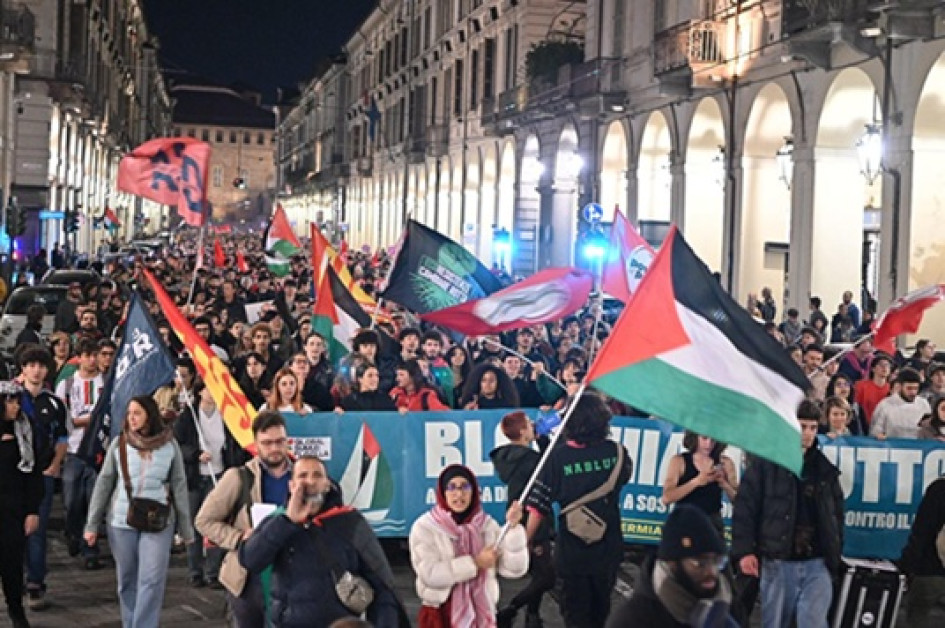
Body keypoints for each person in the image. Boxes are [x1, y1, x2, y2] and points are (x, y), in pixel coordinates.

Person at [240, 455, 409, 627]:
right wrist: (287, 521)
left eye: (317, 475)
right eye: (303, 476)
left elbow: (382, 585)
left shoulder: (350, 522)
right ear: (291, 486)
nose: (310, 481)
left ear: (327, 485)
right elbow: (252, 561)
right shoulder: (277, 522)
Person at [732, 399, 844, 628]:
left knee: (813, 622)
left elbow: (836, 514)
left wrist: (834, 552)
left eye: (813, 428)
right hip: (778, 560)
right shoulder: (765, 464)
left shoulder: (823, 468)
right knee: (775, 623)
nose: (808, 434)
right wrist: (744, 552)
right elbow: (745, 509)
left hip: (817, 560)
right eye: (803, 427)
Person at [84, 396, 193, 628]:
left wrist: (186, 528)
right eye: (129, 413)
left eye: (137, 413)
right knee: (127, 579)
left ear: (149, 415)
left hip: (159, 520)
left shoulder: (169, 445)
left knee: (152, 579)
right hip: (122, 520)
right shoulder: (120, 443)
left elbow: (179, 485)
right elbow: (104, 484)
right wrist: (92, 524)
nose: (131, 418)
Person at [525, 392, 633, 628]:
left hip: (572, 551)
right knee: (601, 610)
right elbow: (623, 479)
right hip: (609, 546)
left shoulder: (558, 457)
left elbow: (538, 505)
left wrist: (525, 540)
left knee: (575, 614)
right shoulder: (618, 452)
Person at [195, 411, 294, 627]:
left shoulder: (303, 476)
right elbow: (204, 520)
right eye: (267, 443)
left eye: (279, 442)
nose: (274, 448)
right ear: (256, 444)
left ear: (288, 441)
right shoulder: (238, 477)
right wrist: (239, 538)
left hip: (294, 571)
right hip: (248, 577)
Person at [410, 463, 529, 627]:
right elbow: (430, 575)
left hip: (481, 616)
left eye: (465, 486)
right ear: (442, 493)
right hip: (441, 616)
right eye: (451, 487)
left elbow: (514, 570)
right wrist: (475, 563)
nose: (459, 494)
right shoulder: (426, 527)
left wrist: (513, 528)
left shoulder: (486, 526)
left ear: (473, 491)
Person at [605, 505, 738, 628]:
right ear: (672, 564)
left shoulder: (724, 609)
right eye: (700, 563)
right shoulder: (633, 620)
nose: (711, 571)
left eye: (717, 561)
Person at [174, 380, 249, 588]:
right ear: (199, 392)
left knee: (216, 523)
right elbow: (178, 444)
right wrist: (195, 454)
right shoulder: (189, 417)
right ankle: (195, 570)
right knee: (193, 524)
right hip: (195, 478)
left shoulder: (226, 415)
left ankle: (213, 571)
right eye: (208, 388)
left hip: (219, 475)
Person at [491, 411, 555, 628]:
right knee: (546, 576)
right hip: (533, 518)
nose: (533, 425)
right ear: (521, 431)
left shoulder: (509, 459)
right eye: (529, 423)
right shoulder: (531, 460)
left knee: (540, 572)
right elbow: (551, 464)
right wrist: (543, 439)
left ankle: (533, 616)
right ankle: (512, 608)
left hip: (518, 516)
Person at [19, 346, 68, 611]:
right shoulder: (10, 399)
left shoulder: (54, 403)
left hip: (42, 474)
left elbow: (62, 437)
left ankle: (35, 582)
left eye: (41, 365)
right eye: (31, 365)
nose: (36, 370)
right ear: (23, 368)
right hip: (14, 475)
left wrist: (55, 465)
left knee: (37, 529)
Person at [55, 337, 105, 569]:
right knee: (72, 500)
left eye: (95, 355)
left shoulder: (105, 383)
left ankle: (90, 548)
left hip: (98, 450)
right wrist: (80, 421)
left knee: (93, 501)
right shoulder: (67, 384)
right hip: (73, 450)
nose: (92, 360)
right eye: (88, 355)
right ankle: (73, 533)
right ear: (80, 358)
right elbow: (60, 417)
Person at [0, 381, 43, 628]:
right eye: (10, 401)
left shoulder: (25, 429)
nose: (16, 406)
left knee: (12, 565)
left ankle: (16, 611)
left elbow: (33, 474)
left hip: (14, 509)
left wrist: (31, 511)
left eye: (17, 400)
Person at [662, 432, 738, 534]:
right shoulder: (679, 461)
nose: (709, 444)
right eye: (704, 438)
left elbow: (739, 501)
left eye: (713, 440)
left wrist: (724, 483)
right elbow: (667, 498)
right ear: (695, 437)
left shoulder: (725, 463)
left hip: (712, 522)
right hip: (684, 520)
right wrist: (697, 481)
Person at [898, 475, 945, 627]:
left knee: (918, 617)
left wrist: (906, 566)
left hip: (930, 572)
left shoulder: (939, 489)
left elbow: (921, 533)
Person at [871, 368, 931, 440]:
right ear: (899, 386)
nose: (913, 392)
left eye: (915, 388)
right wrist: (878, 435)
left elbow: (930, 430)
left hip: (919, 448)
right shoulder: (885, 405)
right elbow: (875, 432)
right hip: (892, 448)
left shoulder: (923, 404)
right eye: (909, 388)